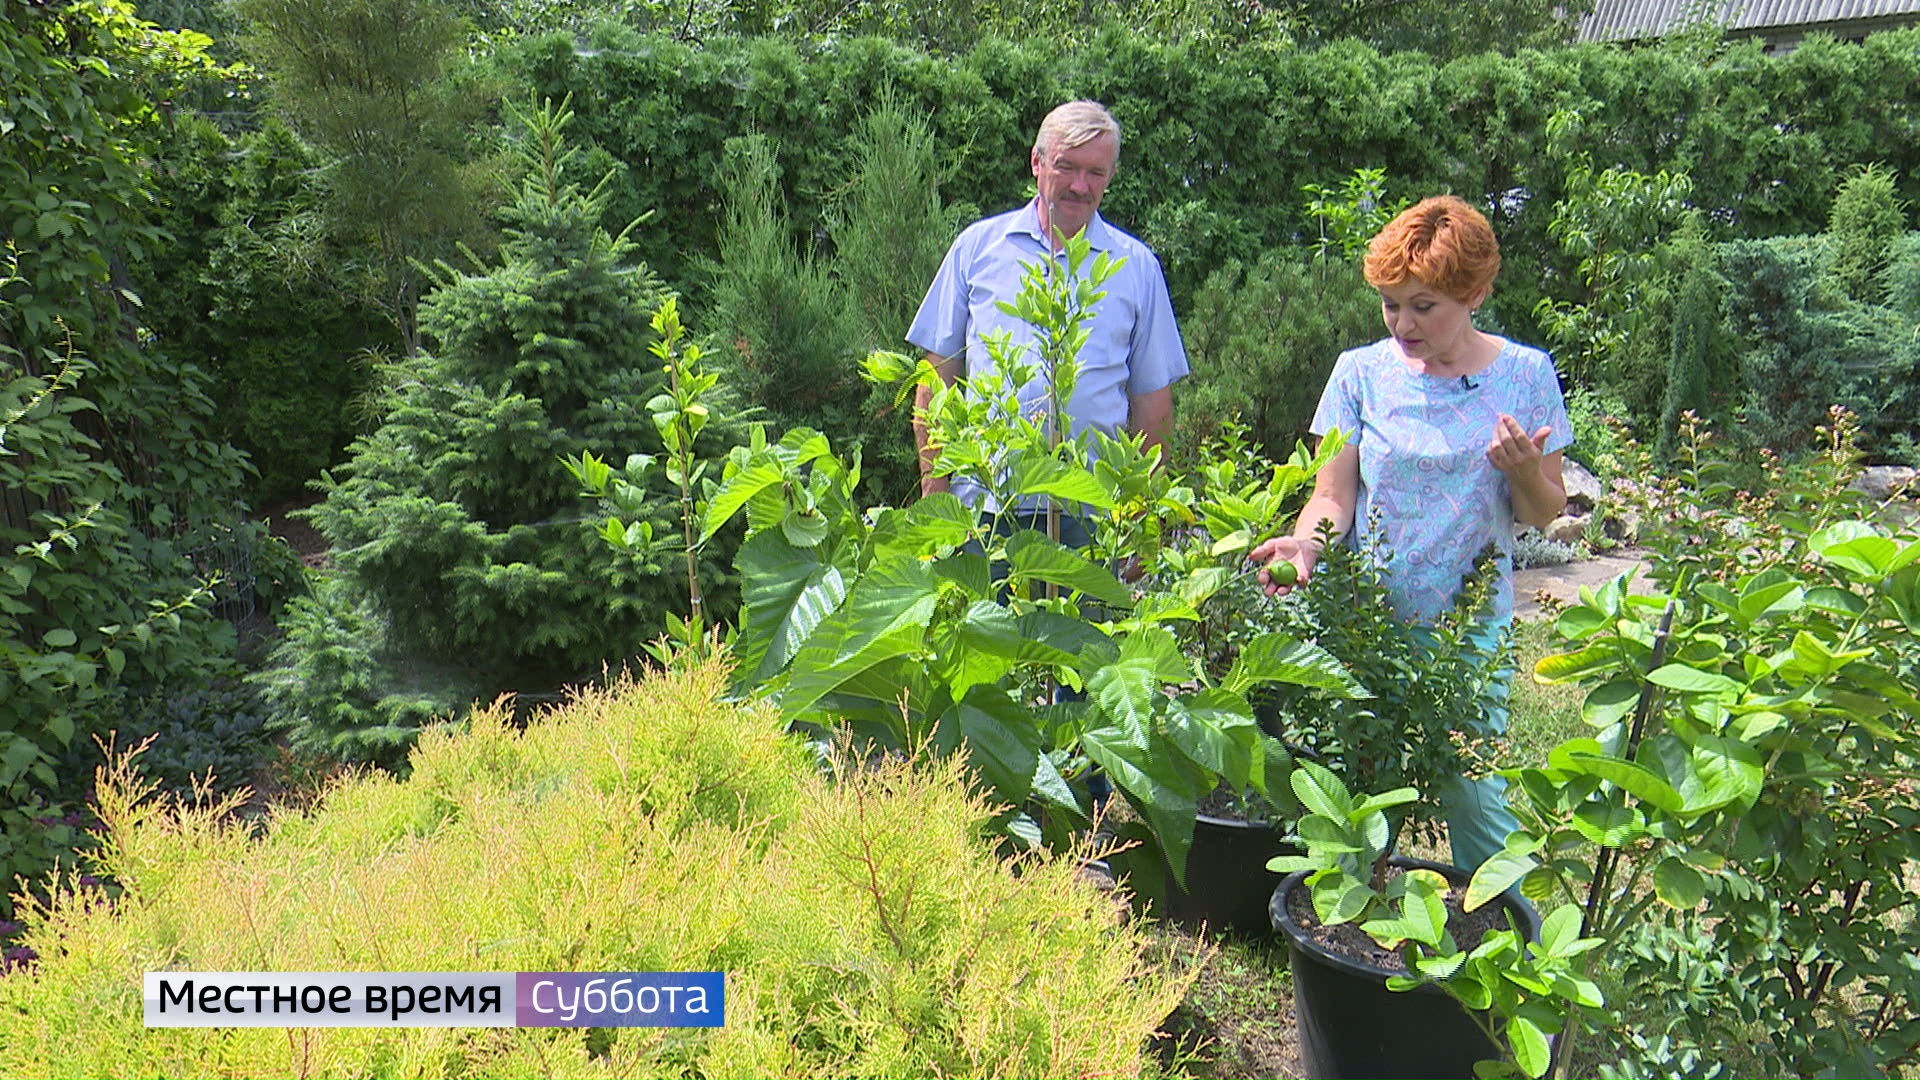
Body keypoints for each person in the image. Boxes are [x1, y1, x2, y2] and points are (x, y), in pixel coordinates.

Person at [1250, 194, 1572, 874]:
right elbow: (1332, 495)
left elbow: (1546, 514)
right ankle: (1344, 927)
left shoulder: (1526, 375)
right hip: (1367, 622)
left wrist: (1521, 474)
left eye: (1424, 306)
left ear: (1476, 292)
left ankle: (1506, 943)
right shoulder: (1360, 374)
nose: (1403, 323)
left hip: (1469, 632)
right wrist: (1307, 543)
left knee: (1473, 792)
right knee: (1359, 793)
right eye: (1391, 304)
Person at [905, 99, 1188, 524]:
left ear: (1110, 176)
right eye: (1066, 166)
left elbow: (1153, 405)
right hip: (986, 507)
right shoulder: (977, 250)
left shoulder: (1136, 267)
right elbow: (935, 383)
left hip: (1090, 511)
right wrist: (936, 501)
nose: (1080, 185)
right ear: (1036, 163)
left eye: (1095, 172)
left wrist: (1139, 517)